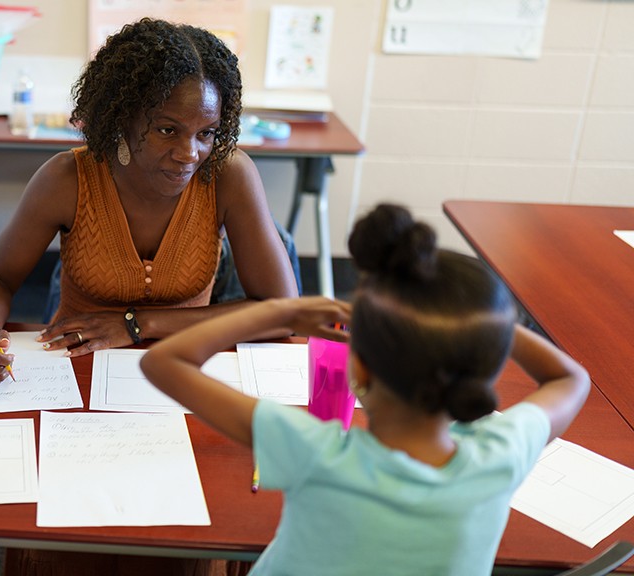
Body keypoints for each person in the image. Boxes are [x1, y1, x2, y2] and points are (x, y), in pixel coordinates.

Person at [140, 204, 590, 575]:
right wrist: (483, 325)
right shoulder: (503, 453)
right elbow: (571, 378)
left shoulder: (315, 452)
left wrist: (281, 311)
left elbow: (163, 362)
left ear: (360, 370)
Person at [0, 17, 298, 385]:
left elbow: (281, 313)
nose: (190, 153)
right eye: (167, 130)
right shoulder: (68, 179)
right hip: (74, 371)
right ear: (123, 118)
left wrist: (137, 324)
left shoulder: (228, 175)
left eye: (206, 133)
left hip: (182, 371)